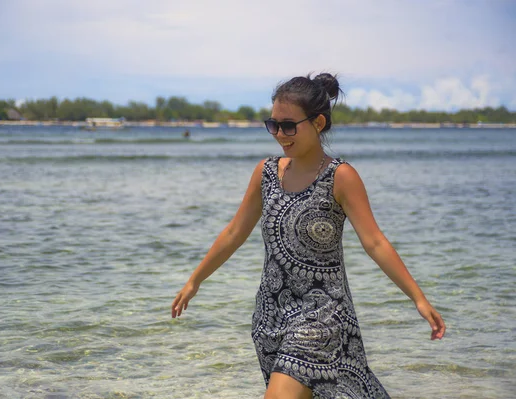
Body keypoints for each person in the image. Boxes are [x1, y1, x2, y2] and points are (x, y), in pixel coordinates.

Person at [171, 72, 446, 399]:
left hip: (322, 318)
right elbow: (234, 232)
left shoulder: (341, 177)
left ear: (318, 123)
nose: (280, 134)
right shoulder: (266, 173)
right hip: (271, 317)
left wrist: (417, 297)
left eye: (288, 125)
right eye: (273, 125)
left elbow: (375, 242)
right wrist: (195, 280)